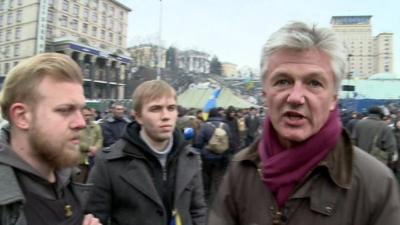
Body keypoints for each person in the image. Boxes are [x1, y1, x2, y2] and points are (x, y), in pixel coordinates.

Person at [208, 22, 400, 225]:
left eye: (314, 83)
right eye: (283, 81)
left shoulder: (376, 184)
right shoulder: (240, 171)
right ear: (265, 94)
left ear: (333, 98)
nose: (296, 97)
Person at [86, 80, 207, 225]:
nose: (166, 116)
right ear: (138, 117)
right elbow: (93, 216)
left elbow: (197, 210)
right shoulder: (109, 162)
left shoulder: (190, 158)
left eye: (171, 108)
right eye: (155, 109)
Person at [0, 53, 101, 225]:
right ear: (22, 117)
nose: (81, 123)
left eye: (81, 110)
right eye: (65, 110)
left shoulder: (67, 178)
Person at [194, 107, 233, 205]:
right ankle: (222, 200)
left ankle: (206, 199)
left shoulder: (205, 126)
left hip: (208, 157)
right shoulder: (225, 126)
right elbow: (231, 141)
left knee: (206, 177)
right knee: (220, 177)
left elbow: (198, 142)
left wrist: (203, 150)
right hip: (223, 157)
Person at [73, 106, 103, 183]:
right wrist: (89, 148)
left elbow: (100, 138)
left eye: (89, 115)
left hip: (93, 161)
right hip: (79, 161)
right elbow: (75, 141)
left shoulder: (96, 126)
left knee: (90, 184)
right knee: (78, 183)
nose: (88, 117)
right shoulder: (75, 126)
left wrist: (96, 148)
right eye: (85, 115)